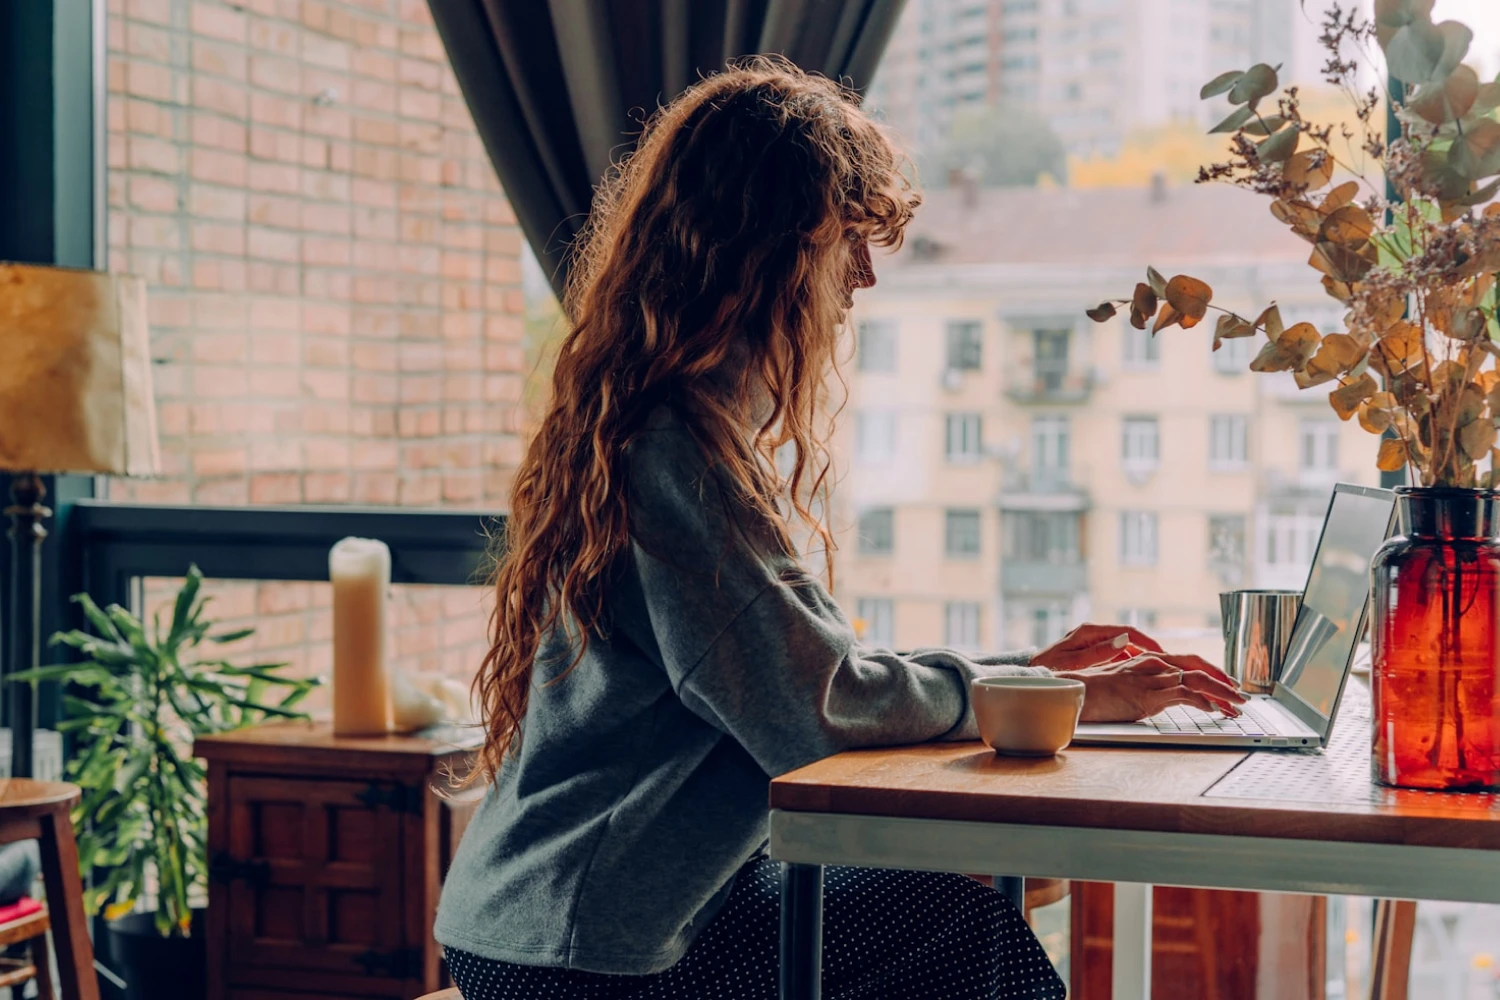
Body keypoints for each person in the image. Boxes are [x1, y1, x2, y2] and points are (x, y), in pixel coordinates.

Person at [435, 57, 1245, 1000]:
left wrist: (1025, 679)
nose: (860, 278)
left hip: (563, 920)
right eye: (845, 242)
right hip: (584, 948)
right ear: (763, 248)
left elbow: (805, 675)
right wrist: (1049, 695)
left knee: (938, 912)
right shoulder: (675, 457)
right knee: (964, 933)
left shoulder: (666, 428)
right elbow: (811, 708)